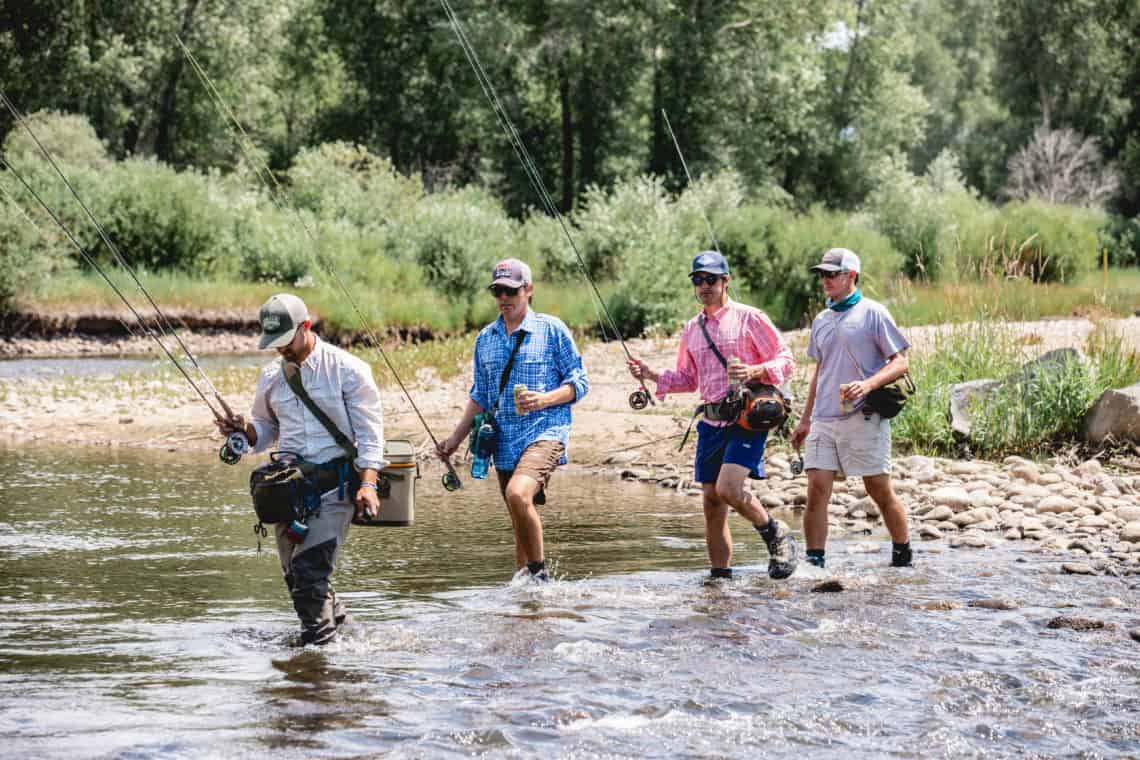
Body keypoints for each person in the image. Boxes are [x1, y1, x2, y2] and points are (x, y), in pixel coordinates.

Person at [216, 293, 386, 645]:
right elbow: (265, 432)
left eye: (285, 341)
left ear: (305, 327)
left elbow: (371, 437)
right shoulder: (271, 377)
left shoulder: (349, 370)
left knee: (309, 573)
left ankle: (319, 661)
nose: (280, 350)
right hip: (288, 489)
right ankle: (353, 639)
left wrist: (368, 484)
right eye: (273, 343)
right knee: (298, 578)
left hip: (335, 487)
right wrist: (244, 430)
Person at [627, 251, 799, 581]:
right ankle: (720, 580)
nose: (704, 286)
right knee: (711, 503)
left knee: (729, 489)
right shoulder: (692, 329)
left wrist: (756, 368)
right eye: (697, 280)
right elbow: (688, 379)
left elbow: (787, 361)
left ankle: (776, 533)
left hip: (747, 419)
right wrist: (650, 374)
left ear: (725, 281)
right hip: (710, 422)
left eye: (710, 280)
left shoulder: (751, 318)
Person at [436, 259, 589, 582]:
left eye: (511, 290)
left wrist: (544, 398)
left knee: (518, 495)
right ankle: (524, 600)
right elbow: (480, 396)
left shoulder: (552, 330)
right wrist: (453, 441)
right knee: (518, 519)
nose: (504, 298)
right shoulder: (485, 339)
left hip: (546, 431)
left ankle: (540, 578)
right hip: (503, 440)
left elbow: (580, 383)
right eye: (498, 291)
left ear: (528, 290)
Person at [789, 248, 913, 569]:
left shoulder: (874, 313)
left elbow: (900, 361)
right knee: (816, 490)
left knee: (878, 490)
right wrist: (804, 420)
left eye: (833, 274)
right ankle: (814, 564)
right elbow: (821, 370)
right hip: (823, 420)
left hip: (864, 416)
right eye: (823, 275)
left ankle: (902, 555)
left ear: (851, 276)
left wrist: (869, 385)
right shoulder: (821, 319)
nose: (826, 280)